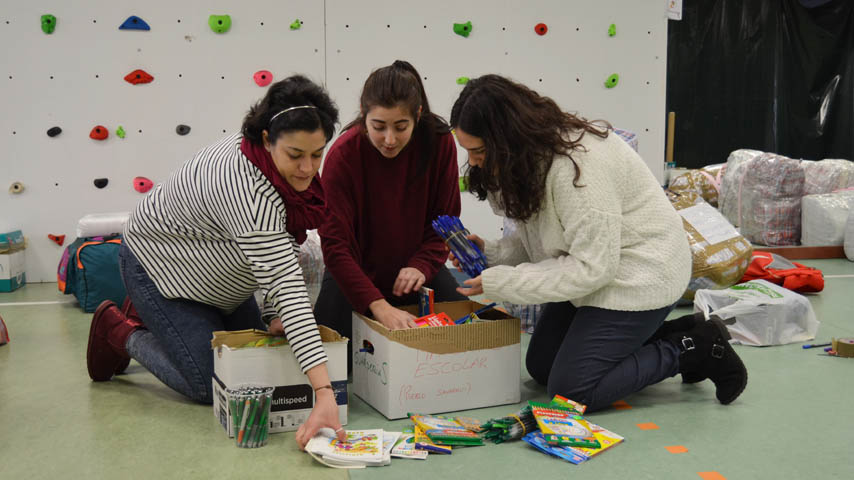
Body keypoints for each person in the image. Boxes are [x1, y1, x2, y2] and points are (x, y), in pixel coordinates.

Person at [448, 75, 748, 412]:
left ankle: (695, 347)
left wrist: (500, 283)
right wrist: (492, 254)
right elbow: (544, 240)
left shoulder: (577, 168)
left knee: (571, 390)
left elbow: (593, 267)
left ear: (507, 139)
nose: (473, 161)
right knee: (543, 368)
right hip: (598, 270)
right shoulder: (528, 159)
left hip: (642, 275)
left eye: (480, 151)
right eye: (469, 151)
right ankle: (685, 329)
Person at [85, 75, 346, 448]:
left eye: (317, 154)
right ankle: (120, 330)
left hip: (221, 279)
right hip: (159, 271)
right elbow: (286, 283)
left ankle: (162, 324)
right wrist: (324, 393)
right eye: (295, 155)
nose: (307, 168)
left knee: (253, 369)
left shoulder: (267, 160)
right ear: (268, 139)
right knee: (212, 384)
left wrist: (273, 314)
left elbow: (283, 243)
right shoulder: (248, 189)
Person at [315, 60, 465, 345]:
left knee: (460, 342)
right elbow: (335, 246)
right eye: (378, 126)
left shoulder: (440, 142)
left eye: (401, 126)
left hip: (416, 271)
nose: (389, 139)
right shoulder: (342, 156)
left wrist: (421, 265)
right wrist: (378, 305)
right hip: (354, 275)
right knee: (333, 358)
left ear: (418, 115)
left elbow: (445, 221)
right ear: (363, 115)